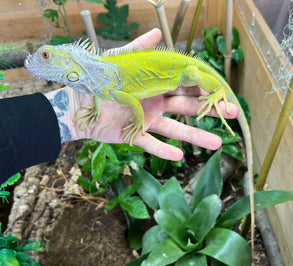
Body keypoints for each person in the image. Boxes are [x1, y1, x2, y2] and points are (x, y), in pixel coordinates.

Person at [0, 29, 238, 184]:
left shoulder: (104, 81)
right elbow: (92, 90)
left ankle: (216, 89)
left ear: (68, 61)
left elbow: (133, 101)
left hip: (182, 71)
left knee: (192, 75)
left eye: (46, 57)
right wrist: (89, 109)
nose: (43, 62)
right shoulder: (95, 80)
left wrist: (138, 121)